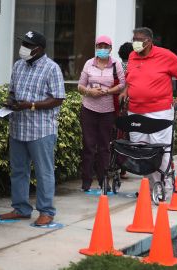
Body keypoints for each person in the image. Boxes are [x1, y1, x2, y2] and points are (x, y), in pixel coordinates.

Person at [0, 31, 65, 226]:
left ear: (39, 49)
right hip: (18, 127)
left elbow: (58, 98)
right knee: (18, 170)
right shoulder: (18, 65)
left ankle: (46, 211)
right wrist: (10, 101)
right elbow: (12, 90)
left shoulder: (51, 68)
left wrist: (31, 105)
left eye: (28, 45)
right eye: (23, 43)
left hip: (41, 130)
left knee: (44, 172)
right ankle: (20, 209)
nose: (24, 48)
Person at [119, 27, 177, 197]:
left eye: (138, 39)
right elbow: (131, 78)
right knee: (141, 151)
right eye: (133, 38)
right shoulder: (132, 56)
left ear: (149, 42)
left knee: (160, 150)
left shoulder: (165, 55)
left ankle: (164, 186)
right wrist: (125, 92)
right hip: (135, 111)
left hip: (160, 112)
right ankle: (150, 187)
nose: (134, 42)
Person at [77, 35, 125, 192]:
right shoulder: (89, 63)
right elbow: (80, 86)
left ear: (110, 49)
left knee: (104, 146)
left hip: (108, 110)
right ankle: (86, 181)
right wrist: (90, 91)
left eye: (105, 46)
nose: (102, 49)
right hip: (89, 108)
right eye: (100, 46)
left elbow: (123, 84)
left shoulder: (116, 64)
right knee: (89, 146)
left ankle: (103, 179)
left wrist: (108, 91)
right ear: (96, 47)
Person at [117, 41, 134, 180]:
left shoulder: (117, 66)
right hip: (131, 105)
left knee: (119, 135)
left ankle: (119, 166)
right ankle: (125, 167)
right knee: (128, 137)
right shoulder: (133, 67)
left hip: (118, 104)